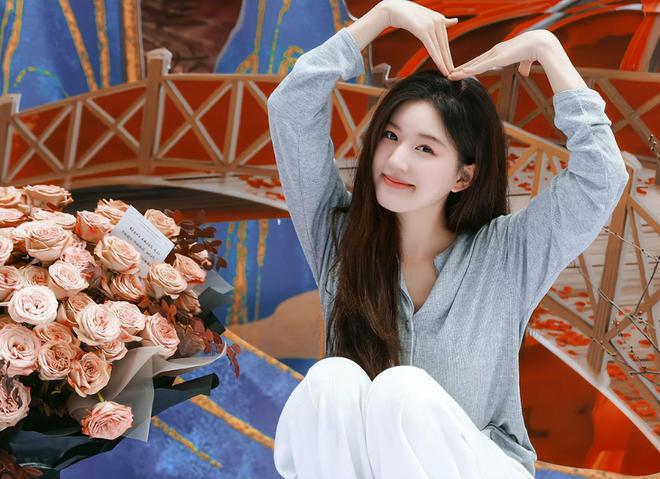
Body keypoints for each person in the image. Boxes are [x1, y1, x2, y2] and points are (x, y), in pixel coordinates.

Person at [266, 0, 629, 478]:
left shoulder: (508, 254)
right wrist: (381, 18)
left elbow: (602, 176)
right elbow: (291, 108)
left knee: (402, 391)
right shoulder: (340, 237)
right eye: (390, 136)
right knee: (333, 379)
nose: (396, 161)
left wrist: (548, 49)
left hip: (482, 466)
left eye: (424, 148)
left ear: (463, 176)